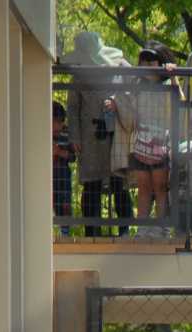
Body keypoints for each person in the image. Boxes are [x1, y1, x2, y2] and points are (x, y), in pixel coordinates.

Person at [62, 30, 133, 236]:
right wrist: (74, 136)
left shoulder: (120, 67)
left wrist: (117, 103)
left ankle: (125, 230)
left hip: (115, 132)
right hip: (89, 135)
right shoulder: (77, 76)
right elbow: (73, 107)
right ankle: (91, 231)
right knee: (91, 184)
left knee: (119, 181)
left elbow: (133, 88)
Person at [109, 43, 182, 239]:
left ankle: (162, 226)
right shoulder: (137, 86)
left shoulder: (168, 85)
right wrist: (116, 104)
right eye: (144, 61)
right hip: (140, 142)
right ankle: (142, 226)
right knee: (143, 187)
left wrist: (174, 75)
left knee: (160, 186)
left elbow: (180, 102)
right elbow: (129, 112)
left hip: (161, 143)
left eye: (152, 61)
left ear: (162, 61)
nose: (148, 65)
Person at [52, 101, 75, 235]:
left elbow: (73, 157)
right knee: (50, 202)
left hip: (63, 175)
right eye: (55, 121)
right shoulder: (42, 132)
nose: (58, 126)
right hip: (46, 176)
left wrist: (59, 152)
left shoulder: (66, 133)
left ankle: (65, 232)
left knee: (65, 203)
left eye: (61, 122)